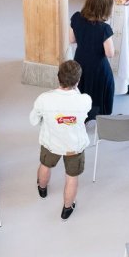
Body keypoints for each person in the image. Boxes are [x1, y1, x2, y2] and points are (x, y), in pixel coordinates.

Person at [30, 60, 92, 220]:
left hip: (51, 144)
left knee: (45, 165)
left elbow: (33, 121)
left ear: (58, 78)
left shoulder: (44, 99)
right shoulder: (85, 100)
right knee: (72, 178)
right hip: (74, 146)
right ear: (78, 81)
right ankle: (67, 208)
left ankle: (42, 188)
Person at [69, 0, 116, 119]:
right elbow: (110, 53)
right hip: (98, 67)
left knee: (82, 87)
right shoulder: (104, 29)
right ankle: (99, 116)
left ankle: (82, 115)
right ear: (106, 9)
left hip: (80, 61)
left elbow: (71, 40)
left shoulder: (76, 17)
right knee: (99, 90)